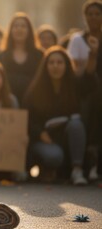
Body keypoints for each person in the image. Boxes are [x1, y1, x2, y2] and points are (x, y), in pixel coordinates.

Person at [23, 46, 97, 185]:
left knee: (76, 124)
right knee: (54, 156)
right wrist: (40, 133)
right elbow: (28, 118)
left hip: (67, 137)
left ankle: (77, 170)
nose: (55, 66)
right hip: (44, 139)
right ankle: (47, 169)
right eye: (51, 62)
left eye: (60, 62)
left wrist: (92, 56)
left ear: (66, 65)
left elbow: (90, 82)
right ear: (45, 66)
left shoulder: (74, 85)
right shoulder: (35, 89)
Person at [67, 0, 102, 181]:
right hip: (85, 90)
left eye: (97, 14)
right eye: (90, 14)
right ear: (84, 17)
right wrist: (93, 54)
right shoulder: (78, 40)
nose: (93, 17)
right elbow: (80, 73)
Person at [0, 12, 43, 106]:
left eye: (23, 26)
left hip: (34, 104)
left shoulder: (40, 56)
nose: (19, 29)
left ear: (29, 30)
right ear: (10, 30)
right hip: (8, 105)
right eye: (15, 26)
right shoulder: (2, 56)